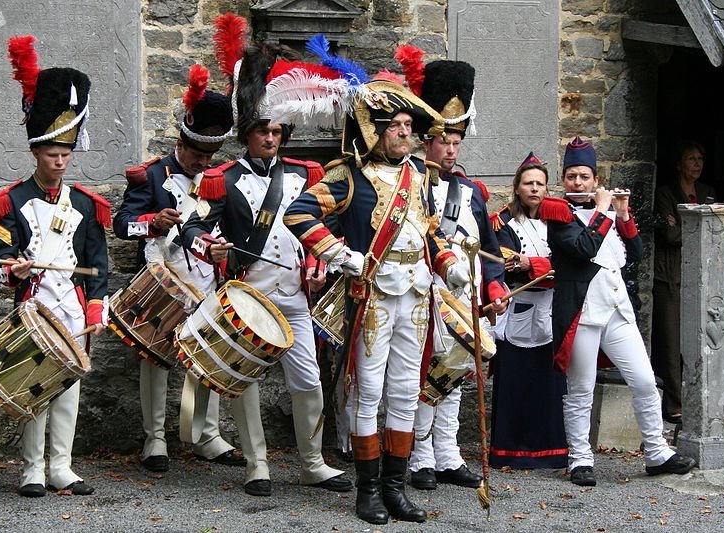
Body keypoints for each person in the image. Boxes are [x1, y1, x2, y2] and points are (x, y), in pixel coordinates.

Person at [285, 78, 472, 524]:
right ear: (377, 130)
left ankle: (395, 488)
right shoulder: (347, 175)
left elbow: (426, 231)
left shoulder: (420, 175)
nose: (408, 133)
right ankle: (367, 490)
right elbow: (298, 213)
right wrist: (340, 253)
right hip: (373, 295)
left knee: (406, 394)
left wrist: (449, 264)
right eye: (400, 125)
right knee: (369, 394)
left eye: (410, 125)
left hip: (417, 294)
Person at [181, 42, 351, 498]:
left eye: (277, 130)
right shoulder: (222, 177)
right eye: (262, 131)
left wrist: (319, 265)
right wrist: (209, 246)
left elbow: (325, 227)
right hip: (248, 295)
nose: (271, 138)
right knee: (248, 381)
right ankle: (258, 465)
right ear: (248, 133)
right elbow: (192, 226)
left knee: (308, 380)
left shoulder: (308, 174)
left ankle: (313, 463)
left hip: (295, 295)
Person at [0, 36, 109, 497]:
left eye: (66, 154)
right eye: (51, 154)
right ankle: (31, 469)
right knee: (34, 388)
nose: (59, 161)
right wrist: (11, 270)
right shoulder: (11, 201)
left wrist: (96, 310)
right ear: (36, 153)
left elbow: (98, 264)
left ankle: (62, 466)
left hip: (73, 310)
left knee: (68, 392)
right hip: (34, 307)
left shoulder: (87, 205)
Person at [112, 65, 247, 473]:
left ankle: (207, 436)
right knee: (155, 359)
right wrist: (151, 222)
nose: (202, 163)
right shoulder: (151, 175)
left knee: (208, 357)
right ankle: (155, 440)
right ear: (179, 143)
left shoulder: (219, 179)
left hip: (206, 279)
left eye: (209, 157)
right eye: (196, 155)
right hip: (162, 279)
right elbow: (121, 225)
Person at [541, 136, 696, 487]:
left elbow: (638, 253)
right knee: (580, 389)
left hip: (615, 311)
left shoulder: (607, 214)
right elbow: (582, 248)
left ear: (596, 180)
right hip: (581, 313)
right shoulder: (558, 213)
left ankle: (656, 452)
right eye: (571, 177)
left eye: (584, 177)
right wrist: (601, 212)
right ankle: (580, 458)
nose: (577, 183)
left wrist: (623, 214)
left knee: (643, 380)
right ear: (564, 180)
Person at [400, 58, 508, 491]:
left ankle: (448, 453)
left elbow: (492, 251)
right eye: (442, 141)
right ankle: (420, 457)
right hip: (425, 294)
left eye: (456, 141)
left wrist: (495, 288)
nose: (449, 149)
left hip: (466, 296)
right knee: (427, 377)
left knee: (458, 373)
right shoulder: (408, 185)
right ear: (427, 142)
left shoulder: (472, 192)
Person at [488, 153, 567, 469]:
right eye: (528, 183)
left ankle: (550, 451)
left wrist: (536, 265)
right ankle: (510, 451)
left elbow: (570, 264)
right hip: (518, 311)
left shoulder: (559, 223)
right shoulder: (503, 223)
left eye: (540, 183)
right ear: (517, 187)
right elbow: (509, 266)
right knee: (515, 385)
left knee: (547, 387)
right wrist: (543, 269)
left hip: (550, 311)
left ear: (547, 188)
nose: (534, 189)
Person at [652, 140, 715, 425]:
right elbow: (668, 236)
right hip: (671, 275)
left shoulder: (708, 193)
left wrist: (680, 225)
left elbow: (713, 233)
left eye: (700, 158)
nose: (697, 163)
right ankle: (675, 403)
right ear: (679, 163)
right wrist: (687, 228)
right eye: (691, 158)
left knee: (704, 338)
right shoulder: (666, 193)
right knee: (670, 340)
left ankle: (702, 401)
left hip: (703, 274)